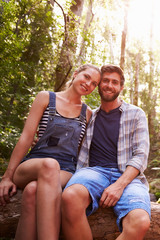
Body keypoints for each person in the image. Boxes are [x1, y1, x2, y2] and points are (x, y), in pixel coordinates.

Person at [0, 64, 101, 240]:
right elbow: (26, 138)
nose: (88, 84)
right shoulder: (45, 98)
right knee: (49, 164)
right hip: (33, 164)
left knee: (32, 191)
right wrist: (7, 177)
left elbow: (80, 151)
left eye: (94, 84)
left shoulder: (88, 114)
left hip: (66, 170)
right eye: (86, 77)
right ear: (76, 74)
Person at [61, 64, 151, 240]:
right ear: (98, 85)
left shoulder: (136, 114)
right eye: (106, 81)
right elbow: (68, 140)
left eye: (115, 82)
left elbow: (141, 156)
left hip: (128, 177)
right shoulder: (89, 116)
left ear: (121, 87)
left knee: (140, 221)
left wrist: (119, 185)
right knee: (70, 197)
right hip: (93, 172)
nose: (110, 85)